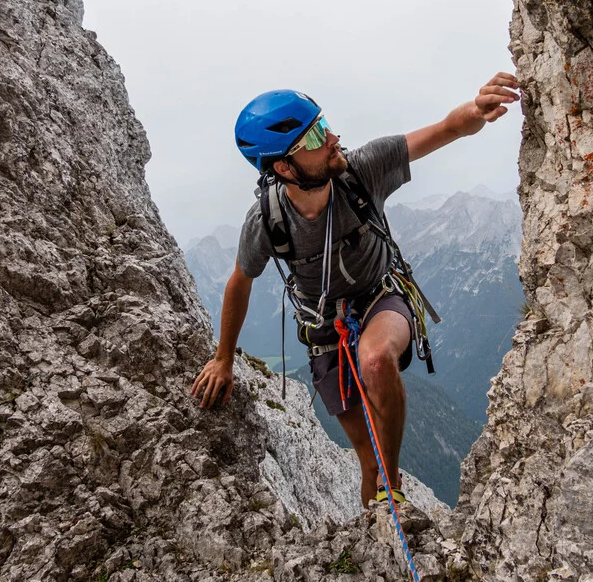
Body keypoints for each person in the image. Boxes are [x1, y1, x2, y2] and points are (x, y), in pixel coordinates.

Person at [190, 73, 519, 507]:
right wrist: (223, 359)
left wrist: (476, 110)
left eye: (324, 124)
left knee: (376, 357)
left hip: (383, 296)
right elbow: (239, 283)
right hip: (324, 328)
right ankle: (378, 516)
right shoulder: (267, 221)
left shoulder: (362, 169)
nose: (333, 138)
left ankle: (392, 481)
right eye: (315, 136)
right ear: (284, 168)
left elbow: (446, 129)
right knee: (366, 463)